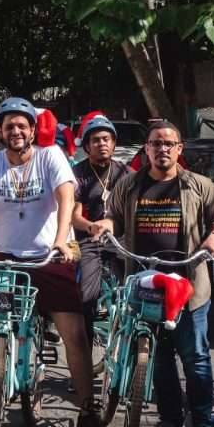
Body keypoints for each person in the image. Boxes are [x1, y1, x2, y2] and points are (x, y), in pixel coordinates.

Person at [0, 96, 109, 427]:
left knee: (75, 335)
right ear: (0, 132)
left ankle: (87, 411)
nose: (15, 130)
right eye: (9, 126)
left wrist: (63, 240)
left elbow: (66, 196)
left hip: (48, 259)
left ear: (33, 130)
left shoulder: (51, 157)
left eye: (22, 125)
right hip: (5, 260)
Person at [92, 121, 214, 427]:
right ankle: (170, 422)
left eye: (169, 143)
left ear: (179, 149)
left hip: (188, 285)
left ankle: (205, 425)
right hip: (144, 284)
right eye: (156, 143)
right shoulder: (129, 184)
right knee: (158, 357)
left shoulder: (198, 185)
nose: (163, 149)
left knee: (195, 357)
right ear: (147, 149)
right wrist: (105, 225)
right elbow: (114, 217)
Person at [70, 116, 130, 346]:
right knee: (86, 297)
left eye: (106, 139)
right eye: (95, 140)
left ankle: (129, 347)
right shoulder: (79, 173)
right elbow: (74, 216)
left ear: (114, 143)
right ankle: (84, 351)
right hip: (90, 240)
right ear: (86, 146)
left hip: (121, 239)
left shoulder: (126, 172)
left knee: (134, 293)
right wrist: (91, 226)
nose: (101, 144)